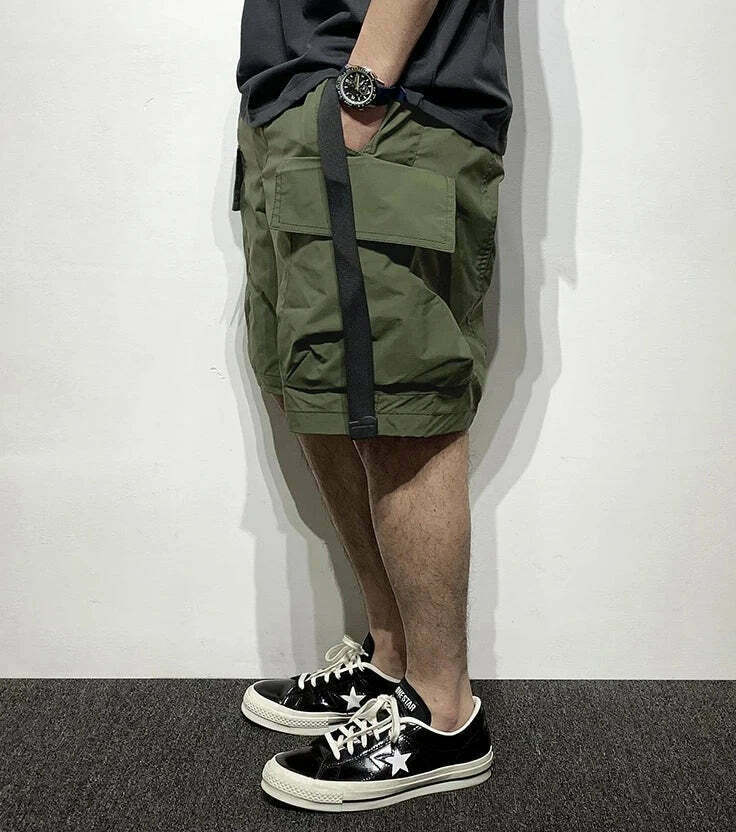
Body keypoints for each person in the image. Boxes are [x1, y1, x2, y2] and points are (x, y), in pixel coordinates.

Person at [233, 0, 512, 812]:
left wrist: (363, 88)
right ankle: (391, 662)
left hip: (389, 102)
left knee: (402, 404)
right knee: (317, 390)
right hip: (296, 104)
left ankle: (444, 714)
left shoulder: (370, 95)